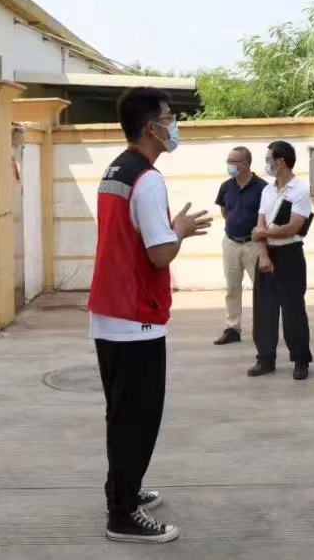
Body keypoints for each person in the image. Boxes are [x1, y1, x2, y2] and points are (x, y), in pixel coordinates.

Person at [87, 87, 211, 544]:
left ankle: (124, 490)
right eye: (168, 116)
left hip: (111, 311)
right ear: (150, 128)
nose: (173, 123)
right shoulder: (148, 178)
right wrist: (180, 230)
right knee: (136, 419)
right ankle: (122, 514)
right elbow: (160, 254)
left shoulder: (116, 170)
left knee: (122, 414)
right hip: (135, 316)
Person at [247, 141, 314, 380]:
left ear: (280, 161)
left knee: (293, 309)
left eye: (269, 159)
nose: (267, 164)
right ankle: (265, 358)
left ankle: (300, 359)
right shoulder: (267, 190)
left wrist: (263, 234)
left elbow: (293, 227)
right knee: (264, 309)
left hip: (290, 255)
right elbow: (259, 225)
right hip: (267, 253)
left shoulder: (300, 190)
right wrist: (263, 255)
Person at [213, 147, 267, 345]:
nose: (230, 165)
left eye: (234, 161)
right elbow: (225, 212)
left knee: (261, 289)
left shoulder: (263, 188)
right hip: (231, 243)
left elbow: (267, 217)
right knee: (232, 288)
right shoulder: (226, 187)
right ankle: (232, 329)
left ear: (246, 163)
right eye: (228, 161)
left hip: (254, 244)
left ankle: (264, 329)